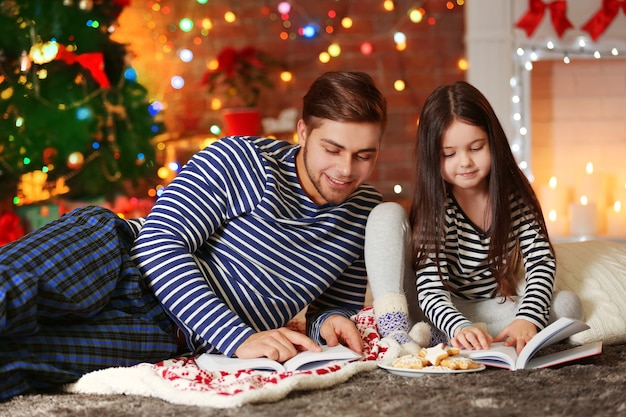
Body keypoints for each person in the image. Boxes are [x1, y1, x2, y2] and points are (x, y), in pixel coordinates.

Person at [0, 70, 387, 400]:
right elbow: (157, 242)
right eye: (332, 149)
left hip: (162, 334)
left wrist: (331, 322)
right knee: (8, 293)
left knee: (18, 364)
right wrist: (237, 338)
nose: (345, 169)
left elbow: (328, 311)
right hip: (116, 258)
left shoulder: (365, 214)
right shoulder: (243, 160)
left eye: (363, 155)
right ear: (303, 132)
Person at [365, 81, 582, 356]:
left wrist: (526, 319)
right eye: (449, 154)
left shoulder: (513, 197)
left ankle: (441, 338)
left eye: (476, 147)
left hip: (483, 308)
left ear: (493, 142)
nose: (465, 162)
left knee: (567, 305)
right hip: (429, 303)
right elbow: (430, 288)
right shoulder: (438, 206)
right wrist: (458, 326)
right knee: (386, 214)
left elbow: (540, 261)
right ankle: (397, 331)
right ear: (433, 157)